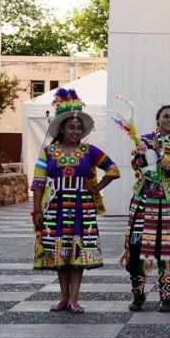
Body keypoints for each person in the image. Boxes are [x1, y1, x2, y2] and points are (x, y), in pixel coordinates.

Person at [31, 89, 120, 313]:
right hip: (56, 207)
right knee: (60, 253)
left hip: (82, 207)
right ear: (61, 128)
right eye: (71, 127)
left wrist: (96, 188)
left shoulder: (89, 151)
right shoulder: (48, 152)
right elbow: (38, 182)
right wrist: (36, 211)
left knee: (77, 253)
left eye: (79, 127)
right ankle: (63, 298)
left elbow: (113, 169)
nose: (76, 131)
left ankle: (74, 299)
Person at [122, 105, 170, 312]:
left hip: (169, 206)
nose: (169, 120)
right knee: (135, 249)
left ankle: (166, 297)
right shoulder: (143, 139)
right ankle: (138, 294)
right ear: (157, 119)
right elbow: (137, 166)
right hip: (143, 202)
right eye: (165, 116)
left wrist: (159, 150)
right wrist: (140, 154)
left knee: (165, 252)